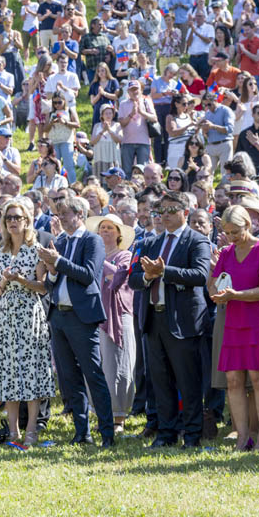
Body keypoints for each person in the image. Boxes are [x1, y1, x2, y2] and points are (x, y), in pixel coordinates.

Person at [128, 190, 212, 448]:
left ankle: (192, 435)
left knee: (188, 381)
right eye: (161, 210)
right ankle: (166, 434)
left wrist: (165, 271)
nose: (165, 215)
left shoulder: (196, 240)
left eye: (171, 210)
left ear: (185, 212)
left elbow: (200, 275)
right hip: (154, 319)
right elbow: (133, 279)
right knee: (160, 381)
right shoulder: (151, 243)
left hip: (183, 321)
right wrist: (147, 276)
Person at [37, 196, 115, 447]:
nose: (60, 218)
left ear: (80, 214)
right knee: (70, 378)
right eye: (58, 214)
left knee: (93, 375)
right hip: (58, 315)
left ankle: (107, 432)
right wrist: (51, 270)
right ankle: (82, 432)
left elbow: (88, 275)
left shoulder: (92, 240)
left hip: (81, 317)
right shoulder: (59, 241)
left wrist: (58, 261)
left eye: (65, 213)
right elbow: (51, 283)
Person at [210, 204, 259, 451]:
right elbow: (213, 284)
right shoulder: (226, 253)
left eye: (236, 231)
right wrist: (216, 292)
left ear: (248, 225)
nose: (232, 237)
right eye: (227, 232)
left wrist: (235, 295)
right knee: (233, 380)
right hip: (233, 322)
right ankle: (242, 438)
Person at [0, 198, 53, 444]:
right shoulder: (2, 250)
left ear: (27, 221)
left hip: (29, 314)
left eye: (17, 217)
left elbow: (43, 288)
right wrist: (6, 279)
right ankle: (13, 431)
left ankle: (32, 430)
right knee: (9, 372)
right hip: (6, 315)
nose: (12, 222)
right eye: (9, 218)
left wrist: (21, 280)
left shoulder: (36, 249)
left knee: (30, 371)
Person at [87, 214, 136, 435]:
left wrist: (99, 261)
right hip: (94, 315)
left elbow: (118, 277)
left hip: (118, 315)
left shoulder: (125, 255)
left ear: (118, 233)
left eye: (110, 227)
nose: (105, 231)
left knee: (118, 365)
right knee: (98, 367)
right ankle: (102, 415)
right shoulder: (94, 255)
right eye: (102, 227)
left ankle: (119, 417)